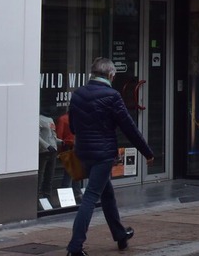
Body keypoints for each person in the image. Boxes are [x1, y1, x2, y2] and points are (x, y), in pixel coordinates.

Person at [65, 58, 155, 256]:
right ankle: (75, 247)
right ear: (111, 75)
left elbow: (72, 126)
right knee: (90, 197)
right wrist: (147, 152)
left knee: (107, 194)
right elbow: (129, 128)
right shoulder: (112, 96)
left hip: (83, 152)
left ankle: (120, 235)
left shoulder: (78, 94)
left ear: (92, 73)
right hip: (103, 155)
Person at [38, 113, 59, 204]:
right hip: (43, 151)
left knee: (49, 176)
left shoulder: (50, 119)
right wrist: (47, 146)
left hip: (53, 150)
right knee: (40, 175)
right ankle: (38, 198)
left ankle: (48, 197)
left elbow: (53, 135)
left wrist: (60, 142)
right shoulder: (37, 119)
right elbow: (36, 136)